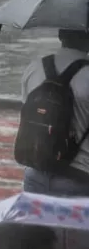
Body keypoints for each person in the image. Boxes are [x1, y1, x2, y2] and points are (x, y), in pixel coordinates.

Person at [22, 30, 89, 197]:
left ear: (60, 36)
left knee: (35, 224)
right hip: (80, 179)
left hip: (35, 173)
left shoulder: (34, 68)